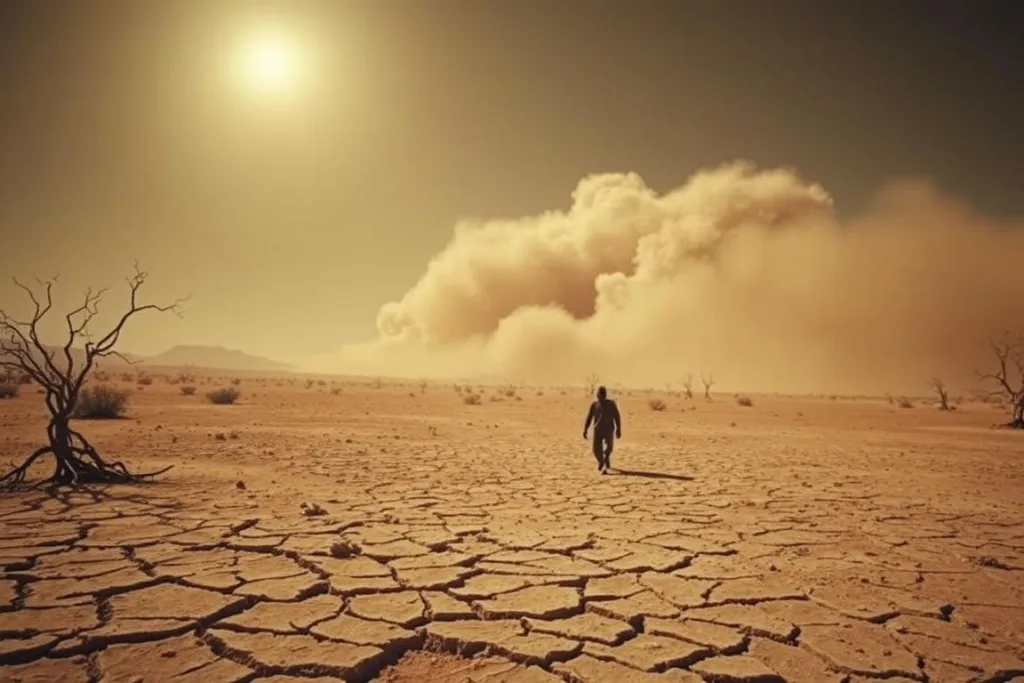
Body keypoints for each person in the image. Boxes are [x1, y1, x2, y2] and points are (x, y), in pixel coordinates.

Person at [583, 385, 622, 474]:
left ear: (605, 395)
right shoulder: (594, 405)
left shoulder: (611, 404)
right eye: (599, 395)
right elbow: (589, 417)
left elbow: (617, 416)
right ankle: (601, 461)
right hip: (598, 430)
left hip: (609, 429)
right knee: (596, 449)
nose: (600, 398)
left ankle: (606, 457)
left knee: (609, 447)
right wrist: (585, 429)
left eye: (602, 395)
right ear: (597, 396)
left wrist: (618, 429)